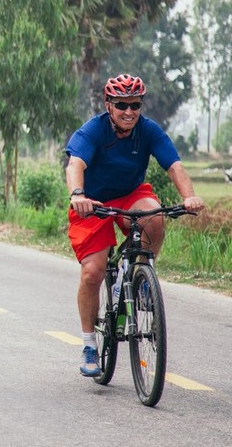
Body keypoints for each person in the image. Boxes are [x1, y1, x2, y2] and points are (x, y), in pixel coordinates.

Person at [66, 73, 204, 378]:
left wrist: (190, 197)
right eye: (121, 105)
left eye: (135, 105)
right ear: (109, 105)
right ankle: (90, 345)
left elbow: (174, 165)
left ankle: (138, 274)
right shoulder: (93, 130)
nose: (129, 111)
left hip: (130, 195)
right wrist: (78, 195)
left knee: (154, 214)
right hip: (93, 202)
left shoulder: (149, 130)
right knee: (93, 272)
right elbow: (75, 164)